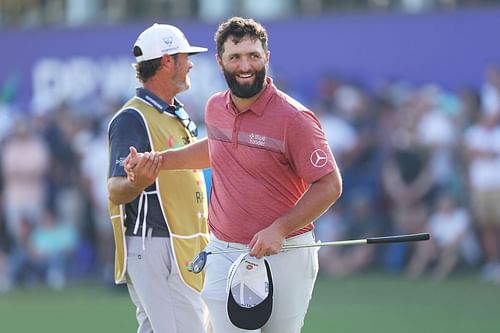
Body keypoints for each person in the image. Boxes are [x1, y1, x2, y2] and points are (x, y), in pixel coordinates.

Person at [126, 17, 342, 333]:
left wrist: (279, 229)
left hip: (286, 252)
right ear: (220, 62)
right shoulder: (215, 107)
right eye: (235, 57)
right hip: (225, 251)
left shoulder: (294, 118)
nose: (245, 65)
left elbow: (330, 184)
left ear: (267, 57)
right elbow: (216, 149)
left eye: (253, 56)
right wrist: (159, 161)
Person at [106, 23, 211, 332]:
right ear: (167, 61)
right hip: (156, 243)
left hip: (179, 243)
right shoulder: (132, 117)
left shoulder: (175, 113)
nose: (190, 63)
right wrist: (136, 182)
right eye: (184, 56)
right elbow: (115, 189)